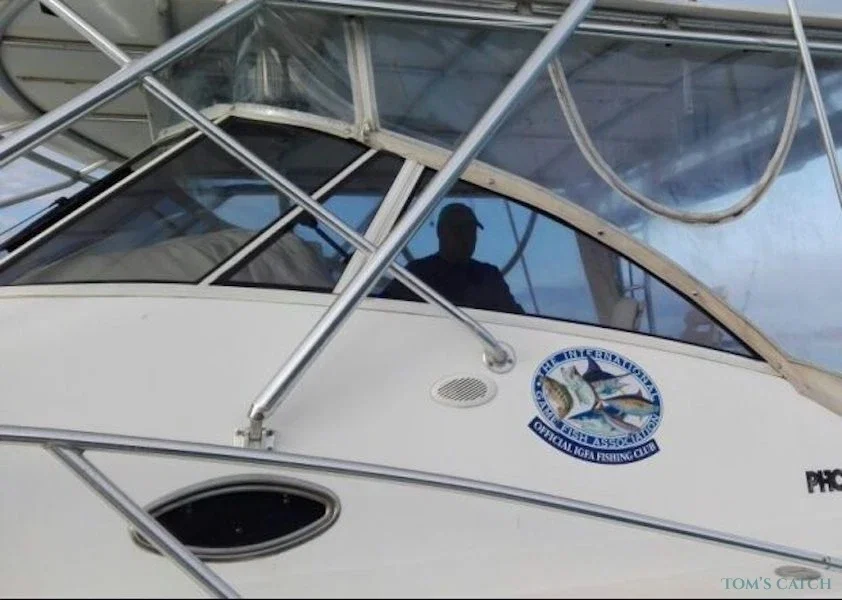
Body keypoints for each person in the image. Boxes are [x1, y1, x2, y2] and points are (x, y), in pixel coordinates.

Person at [383, 203, 524, 314]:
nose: (466, 238)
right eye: (459, 230)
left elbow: (515, 317)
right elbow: (386, 309)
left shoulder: (489, 276)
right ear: (440, 232)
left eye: (471, 232)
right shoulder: (417, 274)